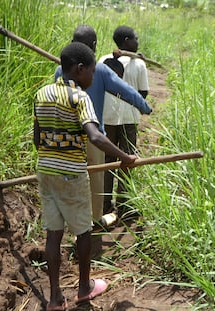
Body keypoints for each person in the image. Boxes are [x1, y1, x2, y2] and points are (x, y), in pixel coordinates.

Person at [35, 41, 137, 311]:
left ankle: (55, 298)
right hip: (71, 173)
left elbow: (37, 138)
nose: (93, 76)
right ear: (80, 69)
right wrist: (124, 158)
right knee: (83, 231)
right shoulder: (80, 98)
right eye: (92, 71)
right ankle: (84, 288)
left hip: (45, 170)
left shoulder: (41, 93)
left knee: (53, 234)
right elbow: (94, 135)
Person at [54, 25, 152, 224]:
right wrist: (144, 106)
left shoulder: (60, 70)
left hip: (67, 137)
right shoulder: (98, 69)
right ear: (94, 46)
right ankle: (94, 221)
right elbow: (126, 90)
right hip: (93, 138)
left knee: (72, 180)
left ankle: (72, 218)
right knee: (95, 184)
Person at [99, 25, 149, 218]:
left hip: (108, 117)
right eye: (135, 38)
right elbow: (143, 93)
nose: (137, 41)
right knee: (127, 159)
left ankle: (104, 203)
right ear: (127, 41)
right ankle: (124, 204)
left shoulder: (103, 60)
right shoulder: (139, 65)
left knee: (107, 160)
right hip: (129, 118)